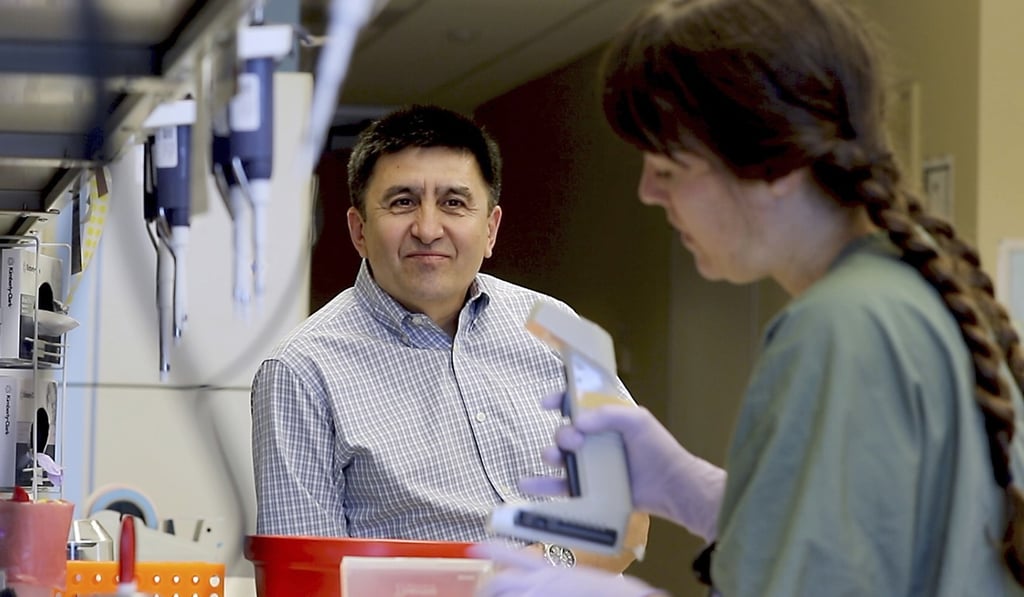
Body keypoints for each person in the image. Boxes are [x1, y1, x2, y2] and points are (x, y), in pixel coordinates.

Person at [474, 0, 1024, 595]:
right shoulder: (910, 294)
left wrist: (598, 592)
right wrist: (690, 488)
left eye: (667, 163)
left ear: (773, 160)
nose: (647, 191)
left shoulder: (839, 328)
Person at [250, 104, 647, 572]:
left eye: (454, 203)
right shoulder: (302, 371)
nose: (428, 228)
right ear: (359, 230)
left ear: (491, 228)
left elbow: (629, 511)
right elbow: (302, 579)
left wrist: (546, 565)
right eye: (402, 202)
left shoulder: (555, 327)